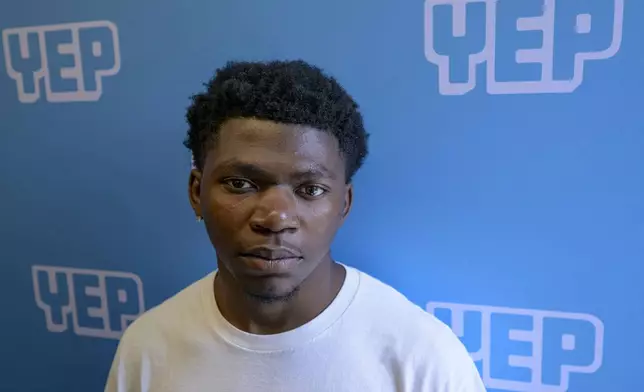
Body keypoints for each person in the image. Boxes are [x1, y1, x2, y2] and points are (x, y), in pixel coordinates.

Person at [104, 59, 486, 392]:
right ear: (195, 192)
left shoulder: (423, 359)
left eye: (310, 189)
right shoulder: (148, 346)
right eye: (241, 184)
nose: (275, 218)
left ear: (344, 204)